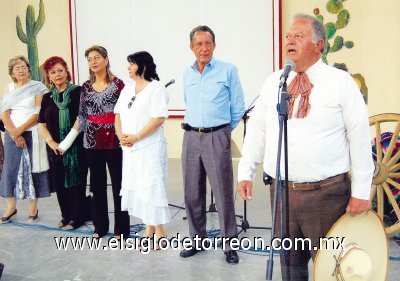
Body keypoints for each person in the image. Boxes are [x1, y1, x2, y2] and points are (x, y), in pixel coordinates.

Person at [237, 14, 374, 280]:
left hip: (327, 196)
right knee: (290, 268)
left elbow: (359, 137)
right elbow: (257, 130)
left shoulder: (340, 82)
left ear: (319, 44)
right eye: (288, 36)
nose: (290, 41)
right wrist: (246, 171)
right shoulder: (275, 82)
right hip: (282, 194)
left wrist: (360, 192)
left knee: (333, 268)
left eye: (298, 36)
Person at [179, 25, 245, 264]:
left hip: (217, 136)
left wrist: (224, 132)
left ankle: (230, 245)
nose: (203, 48)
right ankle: (197, 239)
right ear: (192, 47)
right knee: (192, 193)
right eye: (199, 44)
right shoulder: (187, 73)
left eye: (208, 44)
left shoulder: (228, 70)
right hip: (190, 137)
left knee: (223, 192)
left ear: (214, 46)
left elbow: (238, 107)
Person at [115, 51, 170, 245]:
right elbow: (118, 114)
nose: (128, 67)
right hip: (129, 148)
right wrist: (120, 135)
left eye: (131, 63)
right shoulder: (127, 88)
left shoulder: (156, 88)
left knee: (152, 187)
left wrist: (137, 137)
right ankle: (149, 228)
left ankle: (160, 231)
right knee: (138, 187)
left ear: (142, 65)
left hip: (149, 146)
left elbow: (158, 118)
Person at [77, 45, 130, 239]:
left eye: (97, 57)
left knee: (119, 185)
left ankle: (122, 229)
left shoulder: (119, 84)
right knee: (97, 186)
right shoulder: (85, 86)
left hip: (114, 140)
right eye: (90, 58)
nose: (93, 61)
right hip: (91, 141)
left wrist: (125, 134)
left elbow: (125, 112)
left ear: (106, 60)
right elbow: (82, 115)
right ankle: (100, 227)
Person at [38, 56, 88, 230]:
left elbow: (81, 119)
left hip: (76, 146)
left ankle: (77, 218)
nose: (57, 74)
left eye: (60, 70)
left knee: (77, 182)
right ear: (48, 77)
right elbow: (41, 125)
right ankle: (65, 215)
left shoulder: (79, 92)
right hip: (54, 149)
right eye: (53, 72)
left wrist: (66, 143)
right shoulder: (47, 98)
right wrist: (51, 142)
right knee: (60, 183)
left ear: (67, 72)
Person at [0, 56, 50, 224]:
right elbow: (4, 113)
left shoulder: (37, 87)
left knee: (34, 169)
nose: (21, 70)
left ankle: (33, 208)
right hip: (11, 133)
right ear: (12, 73)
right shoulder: (9, 88)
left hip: (32, 132)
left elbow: (38, 114)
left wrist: (20, 131)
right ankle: (11, 208)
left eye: (23, 67)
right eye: (17, 68)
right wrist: (15, 134)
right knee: (10, 169)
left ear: (29, 69)